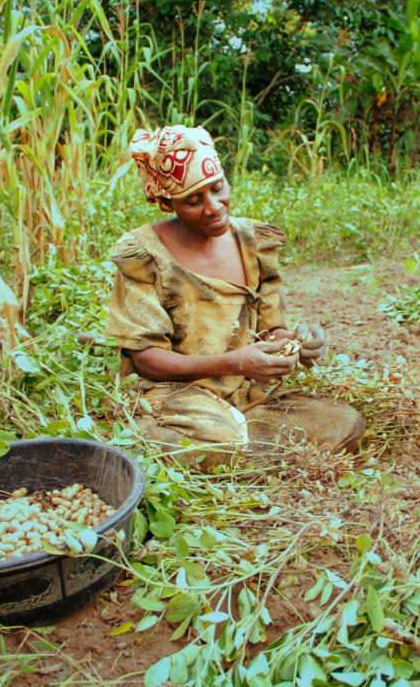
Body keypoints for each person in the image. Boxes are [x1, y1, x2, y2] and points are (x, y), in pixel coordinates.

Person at [105, 125, 365, 469]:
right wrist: (234, 362)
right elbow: (146, 360)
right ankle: (239, 446)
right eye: (193, 200)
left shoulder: (252, 242)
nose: (213, 207)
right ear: (168, 202)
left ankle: (239, 441)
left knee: (344, 422)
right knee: (213, 441)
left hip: (246, 394)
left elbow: (271, 330)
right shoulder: (145, 256)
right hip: (176, 394)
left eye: (217, 188)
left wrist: (295, 344)